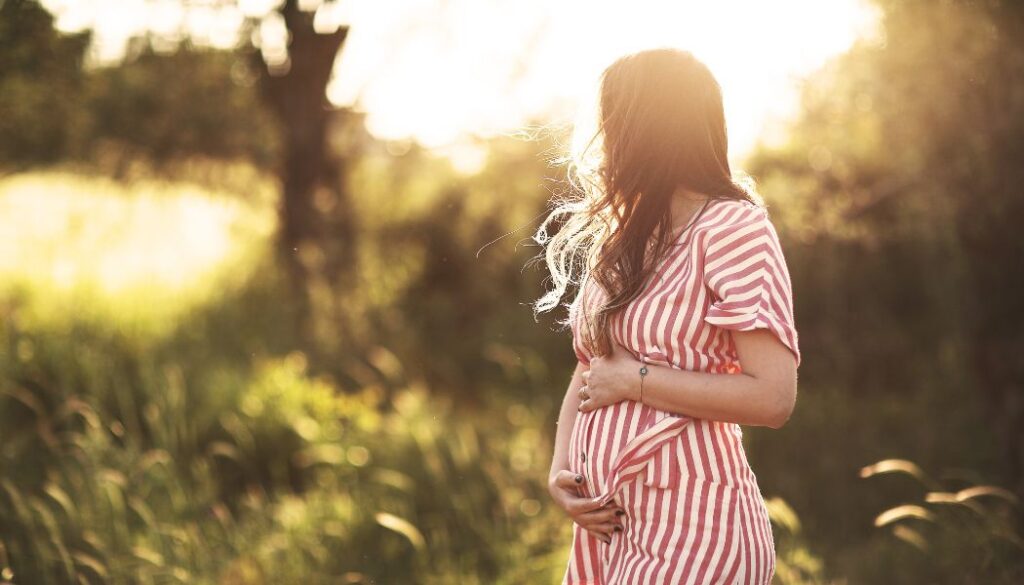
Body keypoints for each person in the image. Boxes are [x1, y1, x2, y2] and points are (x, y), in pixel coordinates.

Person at [532, 48, 801, 584]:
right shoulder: (625, 239)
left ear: (647, 130)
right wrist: (562, 469)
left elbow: (774, 397)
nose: (604, 142)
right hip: (610, 531)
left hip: (695, 530)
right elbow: (591, 367)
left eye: (614, 122)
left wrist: (637, 380)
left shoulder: (732, 229)